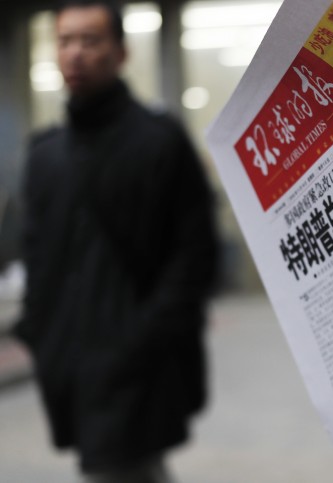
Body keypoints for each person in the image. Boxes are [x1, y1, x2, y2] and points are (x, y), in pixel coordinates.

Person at [12, 0, 220, 480]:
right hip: (70, 361)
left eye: (91, 40)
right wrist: (41, 336)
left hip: (136, 363)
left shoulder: (158, 141)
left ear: (121, 53)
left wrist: (138, 342)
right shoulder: (46, 156)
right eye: (65, 41)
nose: (75, 54)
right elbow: (38, 256)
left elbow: (194, 257)